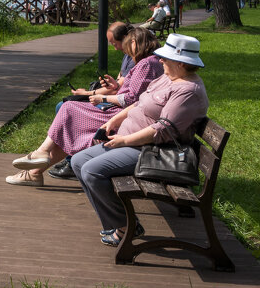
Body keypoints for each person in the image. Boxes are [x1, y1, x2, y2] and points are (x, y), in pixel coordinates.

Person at [70, 33, 210, 247]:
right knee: (78, 162)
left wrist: (124, 141)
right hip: (135, 143)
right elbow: (139, 102)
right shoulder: (168, 77)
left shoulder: (187, 91)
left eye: (166, 57)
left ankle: (127, 226)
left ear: (181, 63)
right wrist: (114, 120)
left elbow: (161, 131)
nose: (160, 60)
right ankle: (119, 223)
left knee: (92, 171)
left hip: (153, 150)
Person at [7, 27, 163, 186]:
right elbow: (135, 93)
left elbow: (132, 99)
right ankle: (36, 169)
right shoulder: (152, 62)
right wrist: (115, 86)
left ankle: (39, 158)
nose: (127, 53)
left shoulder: (146, 64)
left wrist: (102, 97)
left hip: (122, 118)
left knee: (68, 109)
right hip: (127, 116)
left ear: (135, 43)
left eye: (128, 48)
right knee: (70, 119)